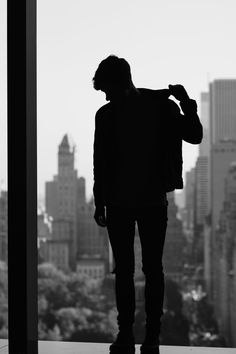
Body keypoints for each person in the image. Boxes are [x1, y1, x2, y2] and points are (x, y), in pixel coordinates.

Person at [92, 55, 203, 354]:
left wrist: (185, 103)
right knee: (143, 270)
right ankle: (141, 336)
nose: (106, 96)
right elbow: (100, 162)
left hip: (133, 201)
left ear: (122, 82)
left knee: (137, 270)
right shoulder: (157, 108)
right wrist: (185, 103)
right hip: (139, 201)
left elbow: (195, 136)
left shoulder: (146, 110)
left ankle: (138, 336)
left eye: (108, 89)